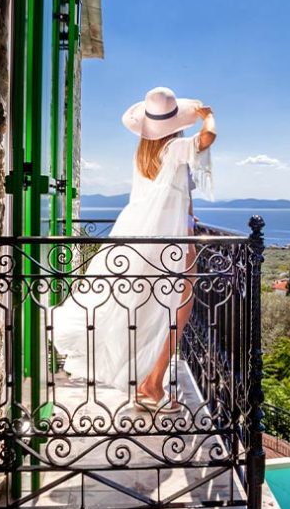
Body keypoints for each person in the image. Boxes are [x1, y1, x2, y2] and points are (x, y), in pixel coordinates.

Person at [52, 87, 216, 413]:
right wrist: (206, 113)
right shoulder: (175, 149)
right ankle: (151, 385)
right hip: (171, 242)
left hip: (147, 237)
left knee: (152, 308)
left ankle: (147, 382)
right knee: (175, 309)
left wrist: (190, 215)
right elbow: (208, 137)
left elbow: (174, 194)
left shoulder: (145, 154)